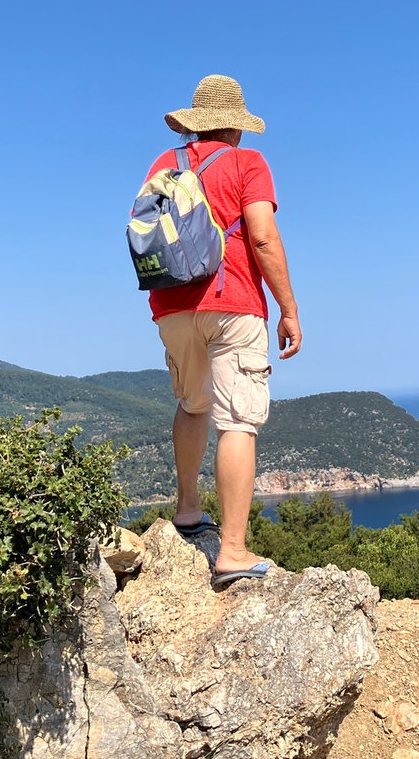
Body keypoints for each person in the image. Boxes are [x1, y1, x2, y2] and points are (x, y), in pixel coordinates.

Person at [143, 74, 302, 588]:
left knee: (193, 404)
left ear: (195, 123)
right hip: (232, 303)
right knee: (238, 421)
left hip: (171, 305)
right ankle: (231, 551)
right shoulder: (247, 163)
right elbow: (263, 236)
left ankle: (188, 510)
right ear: (235, 125)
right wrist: (288, 309)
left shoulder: (164, 164)